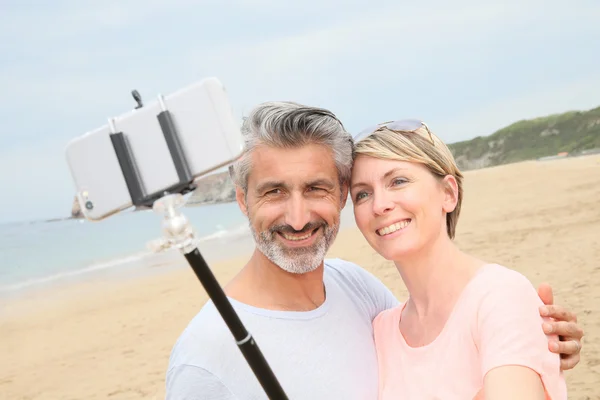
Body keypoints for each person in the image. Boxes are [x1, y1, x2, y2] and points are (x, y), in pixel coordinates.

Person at [165, 102, 583, 400]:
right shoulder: (204, 357)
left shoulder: (361, 294)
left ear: (339, 197)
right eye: (274, 192)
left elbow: (448, 348)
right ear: (242, 200)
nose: (296, 217)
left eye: (316, 188)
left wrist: (529, 343)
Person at [350, 119, 573, 399]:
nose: (379, 204)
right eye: (362, 194)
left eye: (398, 181)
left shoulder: (500, 296)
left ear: (448, 193)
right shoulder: (381, 331)